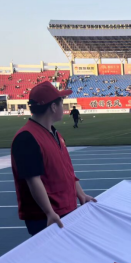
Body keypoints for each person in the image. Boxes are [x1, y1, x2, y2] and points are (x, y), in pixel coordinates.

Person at [11, 81, 96, 236]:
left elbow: (66, 169)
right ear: (53, 107)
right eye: (61, 103)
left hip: (65, 209)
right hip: (47, 217)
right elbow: (33, 180)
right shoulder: (26, 138)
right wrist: (49, 212)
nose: (63, 107)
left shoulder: (55, 134)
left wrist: (81, 194)